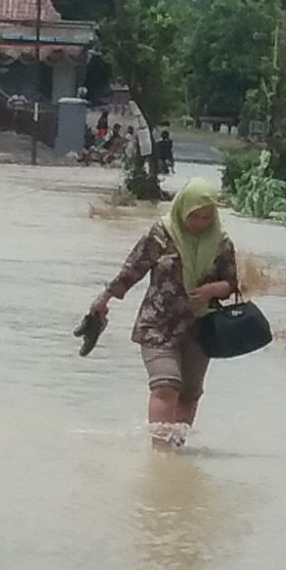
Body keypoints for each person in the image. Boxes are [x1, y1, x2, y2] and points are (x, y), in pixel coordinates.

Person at [90, 179, 238, 450]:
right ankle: (160, 454)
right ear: (182, 210)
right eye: (194, 216)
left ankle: (177, 449)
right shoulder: (160, 234)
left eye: (207, 217)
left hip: (199, 327)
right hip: (158, 323)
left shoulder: (221, 242)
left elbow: (231, 283)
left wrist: (214, 289)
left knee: (190, 392)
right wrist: (105, 298)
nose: (200, 223)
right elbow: (133, 269)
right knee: (166, 385)